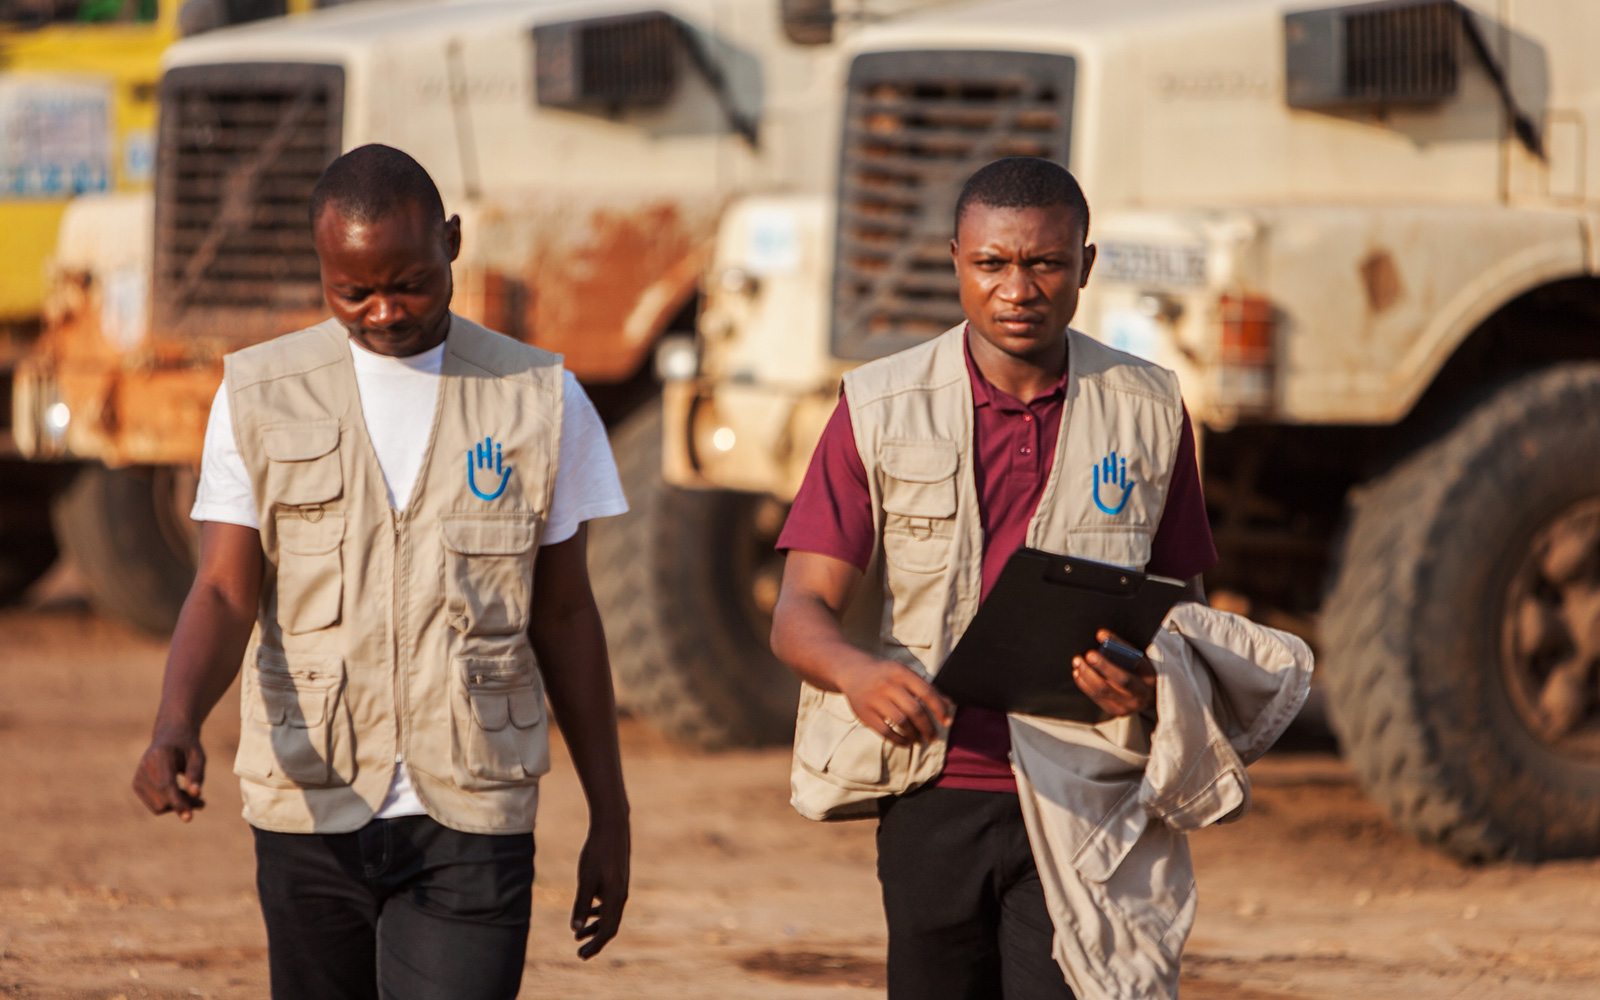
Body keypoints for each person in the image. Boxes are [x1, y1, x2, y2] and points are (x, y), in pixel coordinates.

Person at [131, 144, 631, 1000]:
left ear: (453, 242)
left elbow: (566, 615)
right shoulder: (259, 395)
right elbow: (221, 588)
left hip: (474, 808)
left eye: (410, 283)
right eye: (353, 291)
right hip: (309, 803)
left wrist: (610, 813)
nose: (385, 311)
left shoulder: (541, 399)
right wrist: (175, 720)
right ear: (321, 267)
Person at [769, 157, 1218, 999]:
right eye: (992, 264)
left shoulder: (1150, 410)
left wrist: (1150, 682)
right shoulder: (877, 405)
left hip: (1088, 794)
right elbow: (799, 613)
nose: (1019, 289)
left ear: (1085, 266)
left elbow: (1187, 619)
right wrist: (859, 674)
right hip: (932, 796)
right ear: (955, 262)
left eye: (1046, 263)